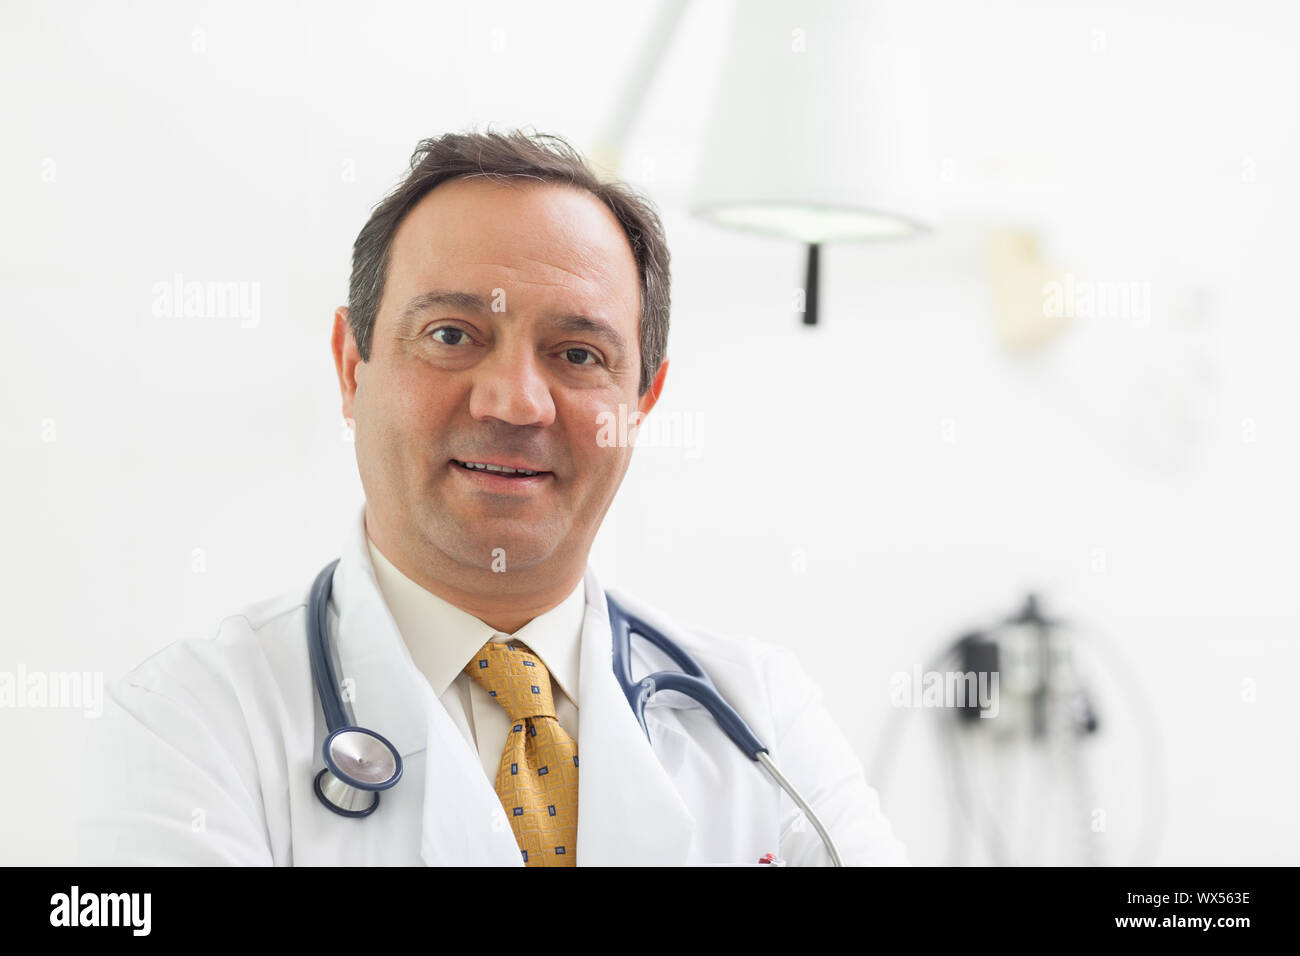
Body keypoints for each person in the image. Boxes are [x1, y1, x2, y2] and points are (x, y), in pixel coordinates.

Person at [78, 129, 909, 867]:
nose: (515, 403)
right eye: (451, 336)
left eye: (578, 354)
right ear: (351, 366)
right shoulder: (190, 727)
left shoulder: (761, 716)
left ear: (641, 403)